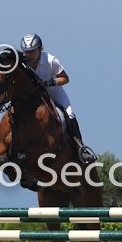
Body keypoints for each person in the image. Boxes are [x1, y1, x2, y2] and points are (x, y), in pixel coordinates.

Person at [20, 33, 96, 164]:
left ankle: (80, 147)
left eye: (32, 51)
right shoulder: (22, 62)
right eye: (26, 52)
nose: (29, 55)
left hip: (53, 91)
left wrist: (52, 82)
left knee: (69, 113)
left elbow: (65, 79)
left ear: (40, 49)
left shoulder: (51, 60)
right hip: (34, 96)